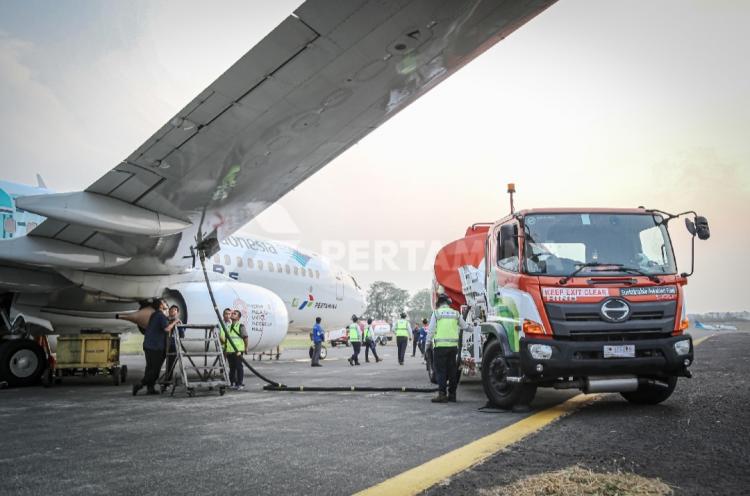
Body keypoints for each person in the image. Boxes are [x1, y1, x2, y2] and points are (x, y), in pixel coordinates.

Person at [426, 294, 468, 403]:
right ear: (448, 303)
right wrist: (477, 329)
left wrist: (427, 346)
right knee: (452, 371)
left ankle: (442, 395)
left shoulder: (436, 313)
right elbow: (466, 326)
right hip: (453, 348)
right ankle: (452, 395)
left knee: (441, 371)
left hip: (440, 348)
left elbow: (430, 331)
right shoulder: (456, 313)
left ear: (439, 304)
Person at [133, 299, 181, 396]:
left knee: (150, 368)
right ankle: (140, 384)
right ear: (160, 305)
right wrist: (175, 322)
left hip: (148, 345)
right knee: (155, 370)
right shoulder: (160, 316)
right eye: (164, 302)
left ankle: (150, 389)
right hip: (155, 346)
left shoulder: (154, 315)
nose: (166, 304)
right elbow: (167, 329)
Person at [221, 310, 249, 390]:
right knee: (232, 368)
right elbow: (226, 339)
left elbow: (245, 337)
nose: (232, 314)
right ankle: (232, 383)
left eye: (234, 314)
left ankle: (239, 384)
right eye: (232, 313)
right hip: (230, 351)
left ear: (238, 317)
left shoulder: (240, 326)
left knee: (239, 367)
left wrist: (246, 348)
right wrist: (226, 349)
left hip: (238, 351)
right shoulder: (228, 326)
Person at [164, 305, 183, 382]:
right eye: (171, 309)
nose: (173, 311)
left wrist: (179, 326)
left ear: (177, 312)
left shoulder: (179, 322)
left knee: (170, 365)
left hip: (173, 345)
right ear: (169, 311)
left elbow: (182, 335)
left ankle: (167, 381)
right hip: (164, 344)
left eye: (175, 310)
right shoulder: (165, 320)